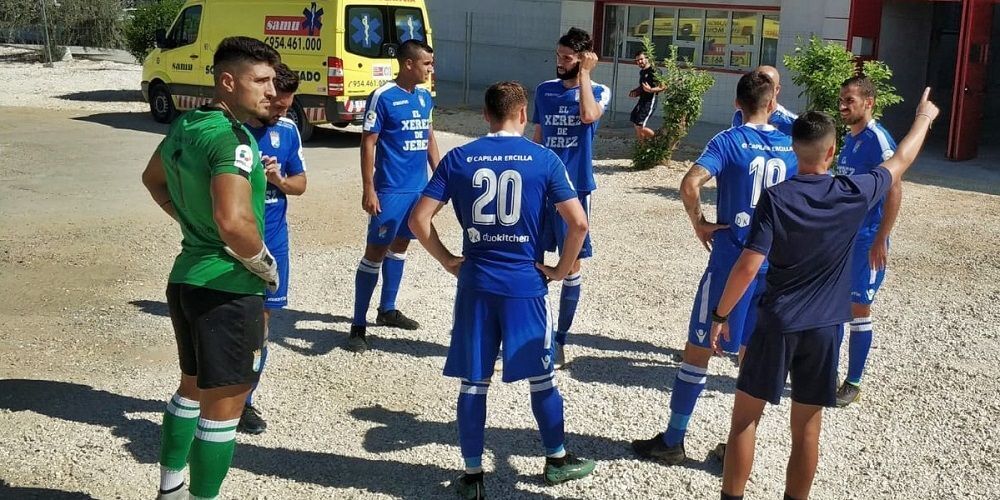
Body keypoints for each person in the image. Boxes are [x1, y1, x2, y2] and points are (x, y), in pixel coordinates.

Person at [711, 90, 938, 500]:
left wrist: (720, 315)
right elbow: (901, 160)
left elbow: (748, 266)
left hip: (777, 322)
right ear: (832, 151)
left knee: (744, 420)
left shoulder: (777, 198)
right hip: (825, 328)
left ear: (795, 149)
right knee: (807, 428)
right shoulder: (853, 192)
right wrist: (924, 117)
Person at [409, 81, 596, 499]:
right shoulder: (543, 159)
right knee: (542, 378)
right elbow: (579, 223)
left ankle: (473, 476)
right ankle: (556, 459)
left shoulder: (459, 158)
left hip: (476, 283)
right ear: (523, 113)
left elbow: (418, 220)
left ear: (486, 115)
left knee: (474, 381)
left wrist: (448, 259)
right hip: (524, 285)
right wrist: (560, 269)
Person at [632, 70, 798, 465]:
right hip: (772, 267)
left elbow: (689, 184)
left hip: (730, 263)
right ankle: (736, 448)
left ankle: (673, 440)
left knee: (698, 350)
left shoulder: (728, 140)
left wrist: (700, 223)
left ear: (737, 103)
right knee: (750, 359)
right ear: (772, 103)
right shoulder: (791, 146)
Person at [140, 36, 280, 500]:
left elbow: (153, 179)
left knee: (191, 389)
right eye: (261, 80)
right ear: (228, 81)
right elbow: (233, 221)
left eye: (273, 81)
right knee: (223, 410)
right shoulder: (233, 140)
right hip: (227, 286)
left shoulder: (187, 124)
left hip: (186, 279)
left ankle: (170, 489)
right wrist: (263, 263)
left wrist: (189, 219)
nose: (271, 91)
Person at [348, 39, 440, 353]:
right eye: (426, 64)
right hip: (390, 190)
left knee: (400, 246)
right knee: (375, 252)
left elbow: (429, 136)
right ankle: (357, 325)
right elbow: (368, 142)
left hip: (418, 189)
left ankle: (387, 310)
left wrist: (440, 175)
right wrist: (369, 188)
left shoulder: (424, 97)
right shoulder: (383, 96)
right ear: (408, 64)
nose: (431, 69)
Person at [532, 27, 610, 368]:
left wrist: (586, 76)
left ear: (583, 59)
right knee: (532, 258)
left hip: (575, 188)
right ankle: (533, 333)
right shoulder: (544, 90)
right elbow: (538, 135)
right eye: (558, 55)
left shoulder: (598, 91)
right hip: (541, 187)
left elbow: (588, 116)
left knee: (571, 263)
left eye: (567, 58)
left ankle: (561, 339)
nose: (560, 62)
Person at [238, 63, 308, 435]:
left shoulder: (288, 130)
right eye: (277, 105)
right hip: (234, 241)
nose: (282, 112)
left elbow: (301, 184)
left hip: (274, 242)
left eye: (287, 106)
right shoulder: (232, 129)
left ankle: (245, 401)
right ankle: (212, 395)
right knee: (229, 320)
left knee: (261, 324)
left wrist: (278, 179)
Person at [832, 75, 900, 407]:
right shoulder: (850, 138)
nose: (843, 106)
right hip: (842, 238)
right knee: (835, 304)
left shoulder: (879, 140)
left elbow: (895, 189)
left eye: (850, 100)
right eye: (841, 100)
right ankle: (827, 372)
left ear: (868, 103)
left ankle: (854, 382)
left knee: (859, 308)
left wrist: (880, 239)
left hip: (866, 240)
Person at [731, 65, 797, 136]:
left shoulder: (793, 123)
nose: (761, 88)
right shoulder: (740, 115)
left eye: (768, 85)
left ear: (777, 89)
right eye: (757, 84)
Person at [629, 50, 665, 141]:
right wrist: (636, 91)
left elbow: (663, 86)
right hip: (642, 100)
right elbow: (642, 86)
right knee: (635, 122)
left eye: (641, 59)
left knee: (640, 125)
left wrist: (651, 90)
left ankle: (657, 140)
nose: (639, 62)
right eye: (637, 60)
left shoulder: (655, 71)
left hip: (650, 101)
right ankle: (642, 145)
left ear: (647, 58)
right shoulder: (642, 72)